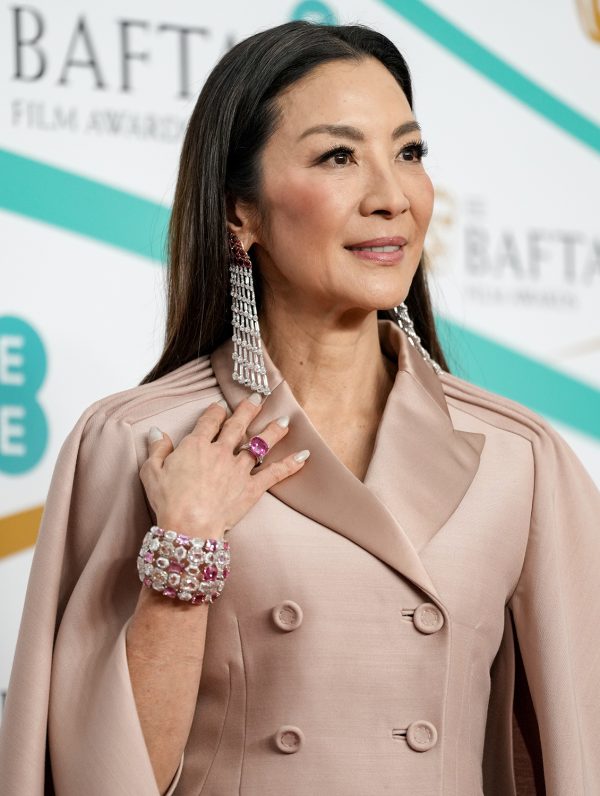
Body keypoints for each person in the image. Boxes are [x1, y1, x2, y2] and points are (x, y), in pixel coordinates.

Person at [0, 19, 599, 796]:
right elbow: (96, 775)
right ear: (238, 212)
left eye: (409, 153)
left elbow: (578, 753)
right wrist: (186, 546)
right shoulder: (136, 440)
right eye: (338, 157)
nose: (392, 197)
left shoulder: (523, 457)